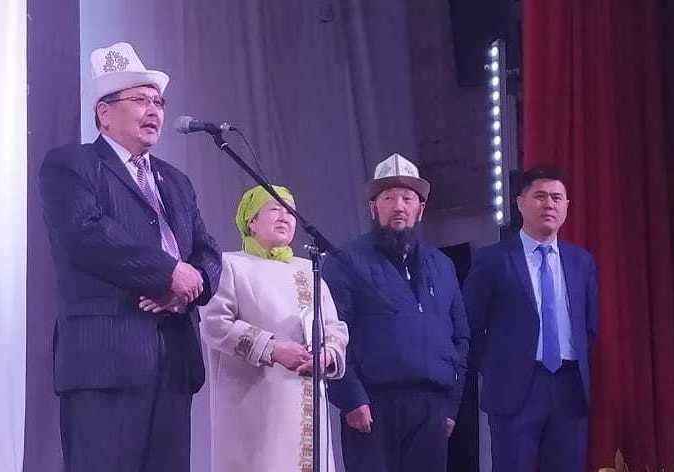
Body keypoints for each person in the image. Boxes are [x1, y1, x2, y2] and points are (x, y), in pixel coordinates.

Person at [39, 42, 221, 472]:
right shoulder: (72, 164)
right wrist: (166, 273)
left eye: (158, 102)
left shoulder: (175, 180)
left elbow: (207, 250)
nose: (154, 110)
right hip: (106, 359)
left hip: (174, 358)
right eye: (140, 100)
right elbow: (85, 234)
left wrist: (188, 288)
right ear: (104, 112)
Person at [323, 153, 469, 472]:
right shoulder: (345, 260)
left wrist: (451, 405)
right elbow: (330, 332)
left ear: (421, 209)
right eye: (388, 197)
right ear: (373, 207)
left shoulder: (442, 265)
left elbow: (461, 338)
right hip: (372, 405)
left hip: (432, 406)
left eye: (407, 198)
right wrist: (350, 398)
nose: (399, 206)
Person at [197, 185, 349, 472]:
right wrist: (273, 349)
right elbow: (216, 324)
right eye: (274, 209)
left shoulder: (308, 269)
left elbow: (334, 326)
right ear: (252, 221)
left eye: (290, 211)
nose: (284, 217)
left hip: (307, 399)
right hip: (255, 402)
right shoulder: (230, 265)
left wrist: (328, 354)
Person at [463, 166, 598, 472]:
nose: (549, 204)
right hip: (515, 389)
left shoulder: (581, 262)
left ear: (566, 206)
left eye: (557, 198)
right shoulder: (493, 260)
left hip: (569, 388)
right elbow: (470, 326)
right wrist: (497, 367)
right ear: (520, 203)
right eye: (540, 196)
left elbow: (589, 327)